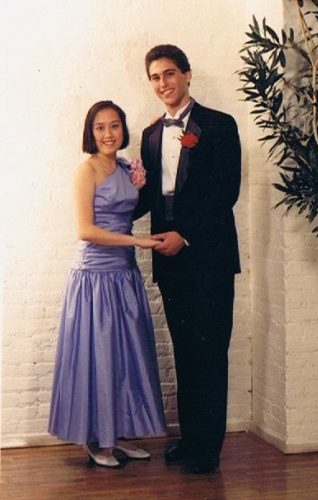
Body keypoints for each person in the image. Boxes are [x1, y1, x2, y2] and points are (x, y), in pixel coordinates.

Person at [134, 44, 241, 474]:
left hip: (209, 257)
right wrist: (111, 196)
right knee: (184, 352)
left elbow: (225, 192)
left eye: (170, 74)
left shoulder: (219, 124)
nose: (164, 84)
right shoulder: (150, 134)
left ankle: (208, 451)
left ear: (188, 75)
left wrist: (187, 235)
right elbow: (148, 198)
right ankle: (191, 438)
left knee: (210, 351)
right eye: (156, 78)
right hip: (170, 259)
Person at [48, 100, 166, 467]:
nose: (109, 133)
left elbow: (135, 205)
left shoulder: (128, 166)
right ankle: (97, 441)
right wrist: (136, 241)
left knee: (126, 355)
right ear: (90, 132)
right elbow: (85, 230)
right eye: (100, 127)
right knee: (98, 356)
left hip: (124, 273)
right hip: (95, 276)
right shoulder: (87, 171)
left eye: (115, 126)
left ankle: (122, 435)